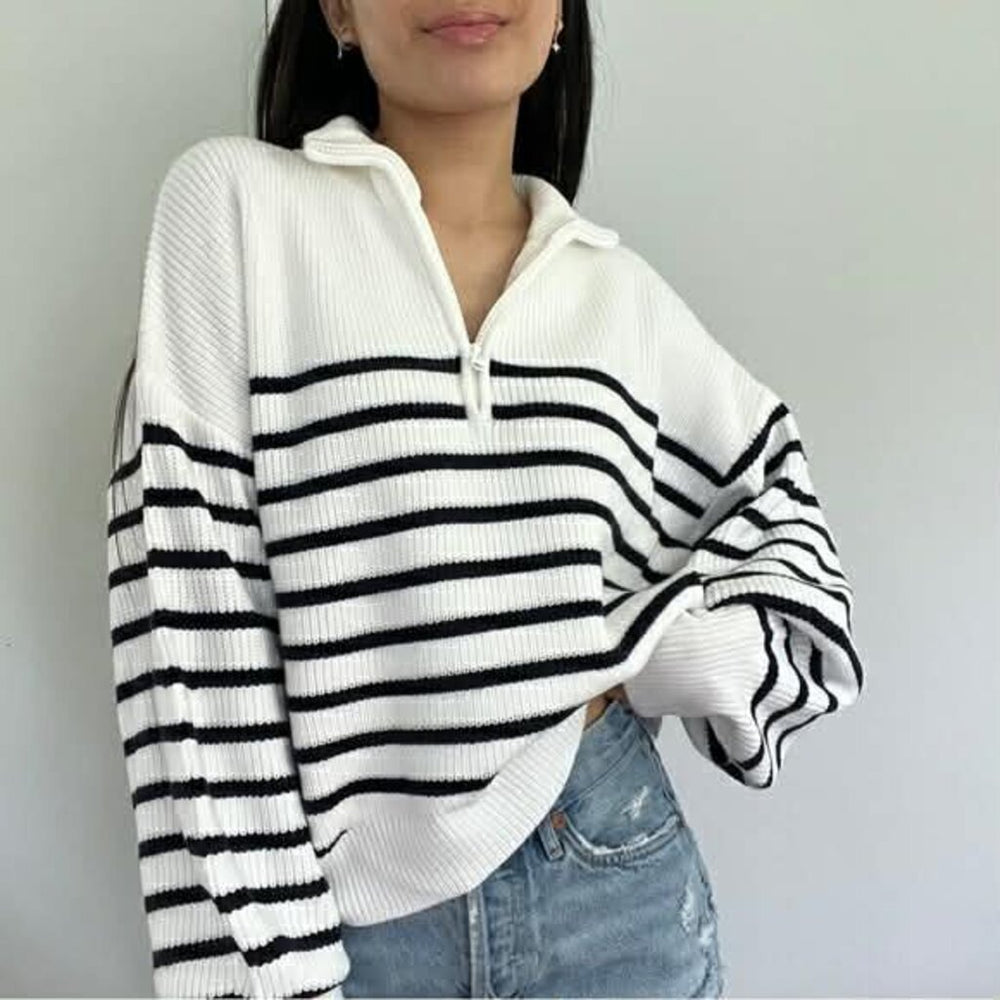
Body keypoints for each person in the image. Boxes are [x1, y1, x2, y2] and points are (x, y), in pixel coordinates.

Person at [104, 1, 865, 997]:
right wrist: (274, 975)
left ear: (560, 18)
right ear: (338, 9)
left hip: (614, 879)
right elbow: (191, 639)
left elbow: (799, 579)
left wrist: (640, 655)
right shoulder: (236, 209)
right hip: (351, 929)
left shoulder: (619, 298)